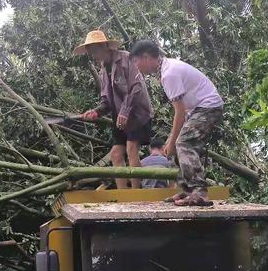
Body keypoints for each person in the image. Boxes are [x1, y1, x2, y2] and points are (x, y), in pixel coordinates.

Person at [131, 40, 223, 206]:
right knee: (175, 146)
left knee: (183, 143)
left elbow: (179, 111)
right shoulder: (166, 70)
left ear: (145, 58)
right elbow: (184, 110)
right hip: (197, 110)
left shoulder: (169, 74)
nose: (135, 66)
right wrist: (170, 141)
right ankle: (188, 191)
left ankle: (200, 193)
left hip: (208, 106)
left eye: (136, 61)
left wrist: (173, 140)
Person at [75, 30, 153, 189]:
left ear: (104, 46)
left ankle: (137, 194)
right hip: (120, 118)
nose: (93, 55)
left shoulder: (126, 58)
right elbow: (106, 101)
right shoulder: (104, 70)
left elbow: (136, 87)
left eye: (94, 50)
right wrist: (96, 111)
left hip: (138, 114)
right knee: (116, 155)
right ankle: (123, 195)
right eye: (90, 52)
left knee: (132, 149)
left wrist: (125, 111)